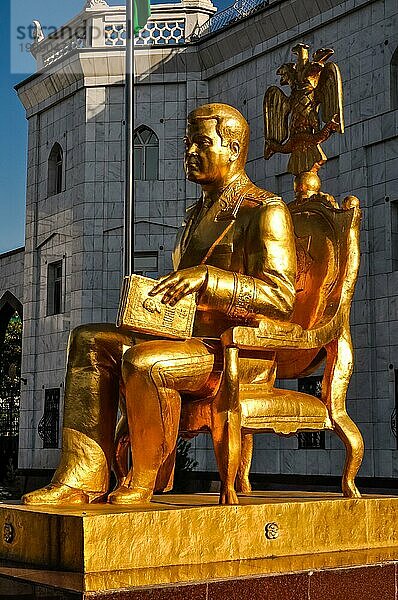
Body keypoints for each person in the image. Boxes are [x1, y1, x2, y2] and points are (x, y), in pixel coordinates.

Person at [23, 103, 296, 506]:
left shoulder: (264, 211)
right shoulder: (194, 215)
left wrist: (209, 279)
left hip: (235, 351)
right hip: (185, 341)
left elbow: (281, 297)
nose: (189, 152)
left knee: (145, 362)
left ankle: (143, 477)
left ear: (234, 149)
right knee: (89, 340)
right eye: (187, 143)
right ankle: (81, 478)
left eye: (201, 143)